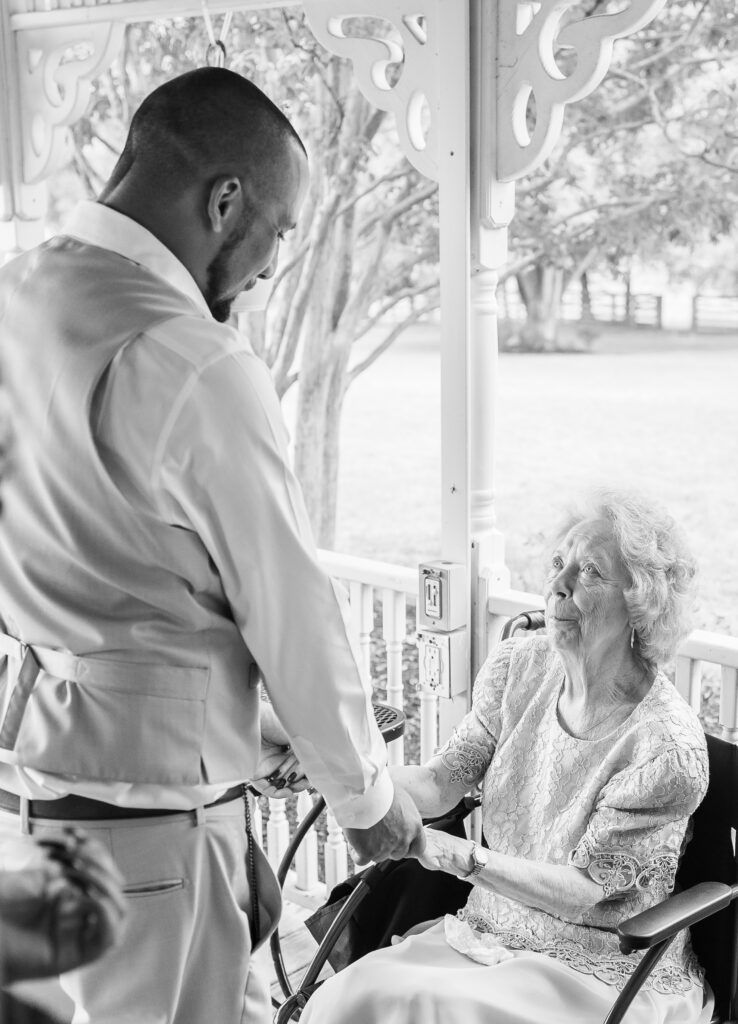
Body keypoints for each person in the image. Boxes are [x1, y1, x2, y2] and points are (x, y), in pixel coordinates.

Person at [0, 67, 424, 1023]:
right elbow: (287, 606)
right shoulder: (192, 359)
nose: (274, 261)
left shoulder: (15, 297)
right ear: (225, 198)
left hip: (31, 807)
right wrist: (364, 800)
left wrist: (237, 719)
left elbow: (105, 559)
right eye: (278, 229)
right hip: (149, 840)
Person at [302, 491, 711, 1024]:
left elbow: (582, 895)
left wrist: (456, 854)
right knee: (348, 998)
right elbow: (441, 780)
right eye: (558, 564)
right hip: (492, 931)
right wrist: (344, 776)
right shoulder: (519, 667)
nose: (558, 585)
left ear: (642, 602)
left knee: (419, 1009)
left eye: (589, 572)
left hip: (595, 970)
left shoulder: (666, 749)